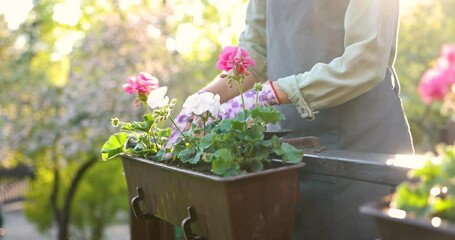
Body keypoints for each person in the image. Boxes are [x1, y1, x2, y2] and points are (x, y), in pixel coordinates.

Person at [170, 0, 414, 239]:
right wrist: (201, 101)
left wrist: (271, 92)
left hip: (362, 148)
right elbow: (253, 55)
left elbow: (365, 60)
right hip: (291, 148)